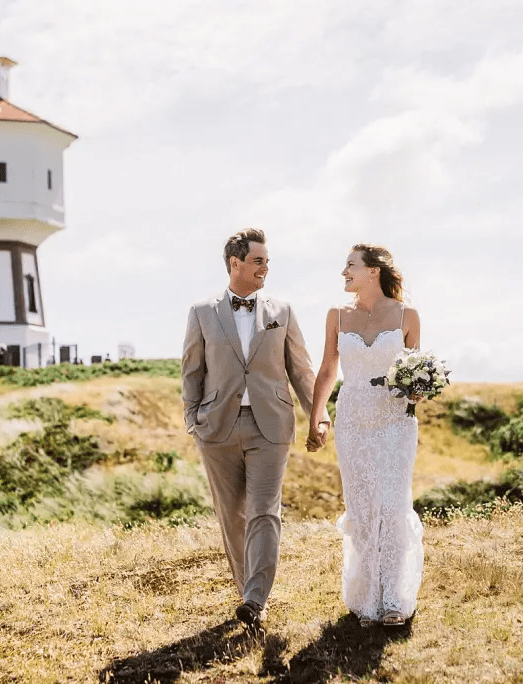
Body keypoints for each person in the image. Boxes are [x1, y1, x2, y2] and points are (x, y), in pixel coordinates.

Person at [182, 228, 329, 632]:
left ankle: (254, 599)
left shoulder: (282, 310)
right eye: (258, 260)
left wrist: (318, 415)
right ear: (235, 264)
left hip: (271, 426)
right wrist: (192, 419)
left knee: (264, 511)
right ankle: (246, 589)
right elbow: (192, 370)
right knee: (232, 515)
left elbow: (300, 368)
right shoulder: (201, 312)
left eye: (267, 260)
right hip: (217, 429)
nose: (266, 267)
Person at [307, 243, 424, 628]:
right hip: (353, 419)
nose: (344, 271)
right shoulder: (337, 316)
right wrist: (317, 415)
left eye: (350, 265)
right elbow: (327, 369)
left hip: (394, 420)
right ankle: (366, 597)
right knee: (361, 508)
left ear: (373, 271)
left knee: (391, 505)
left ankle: (393, 597)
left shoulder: (408, 315)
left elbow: (413, 371)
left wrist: (418, 388)